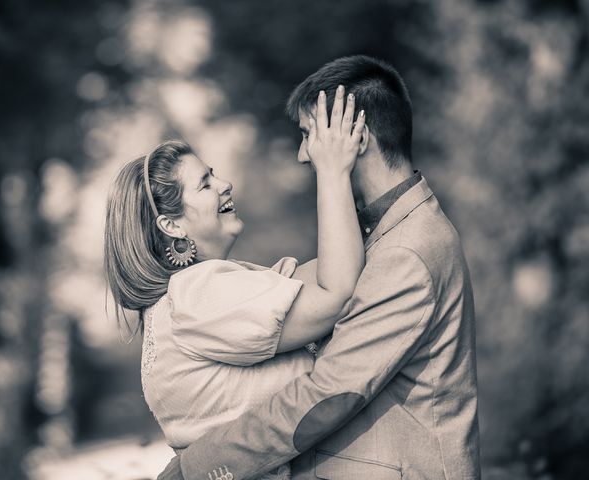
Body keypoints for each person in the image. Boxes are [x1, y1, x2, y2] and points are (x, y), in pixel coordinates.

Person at [158, 55, 480, 480]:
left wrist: (194, 467)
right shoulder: (383, 234)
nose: (302, 155)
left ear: (355, 138)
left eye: (309, 135)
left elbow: (330, 394)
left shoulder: (407, 251)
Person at [104, 90, 367, 479]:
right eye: (206, 184)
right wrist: (333, 170)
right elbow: (336, 293)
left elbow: (330, 270)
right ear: (172, 225)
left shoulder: (193, 300)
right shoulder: (195, 296)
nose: (225, 184)